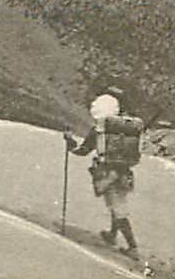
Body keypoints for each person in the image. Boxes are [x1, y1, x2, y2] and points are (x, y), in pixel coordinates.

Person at [64, 91, 143, 257]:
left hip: (107, 173)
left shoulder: (99, 130)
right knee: (116, 203)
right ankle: (112, 234)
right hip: (124, 173)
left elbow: (83, 151)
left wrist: (70, 142)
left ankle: (132, 246)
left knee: (117, 207)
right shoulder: (125, 129)